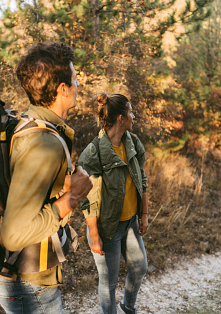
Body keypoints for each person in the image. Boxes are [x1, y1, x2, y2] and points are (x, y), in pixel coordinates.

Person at [0, 42, 92, 313]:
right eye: (74, 77)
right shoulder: (44, 143)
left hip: (23, 277)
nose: (78, 82)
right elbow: (15, 234)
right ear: (62, 89)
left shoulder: (31, 124)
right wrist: (72, 199)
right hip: (28, 283)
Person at [76, 92, 149, 314]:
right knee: (108, 283)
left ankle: (127, 307)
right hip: (106, 228)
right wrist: (94, 235)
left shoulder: (133, 143)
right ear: (120, 118)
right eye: (130, 112)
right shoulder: (94, 152)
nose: (133, 116)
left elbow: (142, 180)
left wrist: (143, 214)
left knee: (139, 267)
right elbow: (89, 199)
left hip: (130, 224)